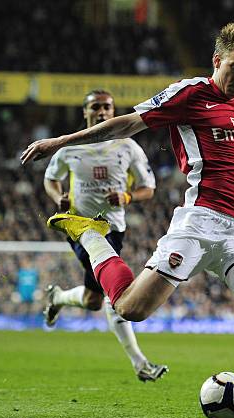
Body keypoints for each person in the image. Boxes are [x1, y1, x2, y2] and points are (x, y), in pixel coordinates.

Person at [21, 22, 234, 418]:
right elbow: (128, 123)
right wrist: (61, 142)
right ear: (217, 60)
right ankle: (89, 234)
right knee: (131, 308)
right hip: (199, 222)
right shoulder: (191, 93)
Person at [42, 89, 167, 382]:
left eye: (107, 107)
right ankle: (141, 363)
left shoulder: (128, 147)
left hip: (114, 229)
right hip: (80, 227)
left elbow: (149, 189)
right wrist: (58, 197)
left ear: (113, 111)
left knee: (93, 299)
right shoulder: (70, 147)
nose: (101, 111)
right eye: (95, 107)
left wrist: (126, 196)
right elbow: (50, 180)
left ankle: (58, 297)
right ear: (85, 113)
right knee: (116, 294)